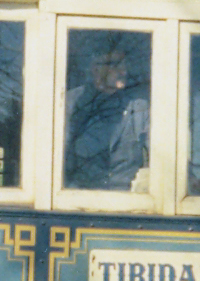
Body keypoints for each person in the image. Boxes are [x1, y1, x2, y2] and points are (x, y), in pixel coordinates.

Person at [64, 44, 150, 190]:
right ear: (96, 69)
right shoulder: (70, 104)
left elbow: (162, 147)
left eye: (125, 65)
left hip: (128, 201)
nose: (123, 71)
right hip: (79, 198)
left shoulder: (140, 107)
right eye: (115, 65)